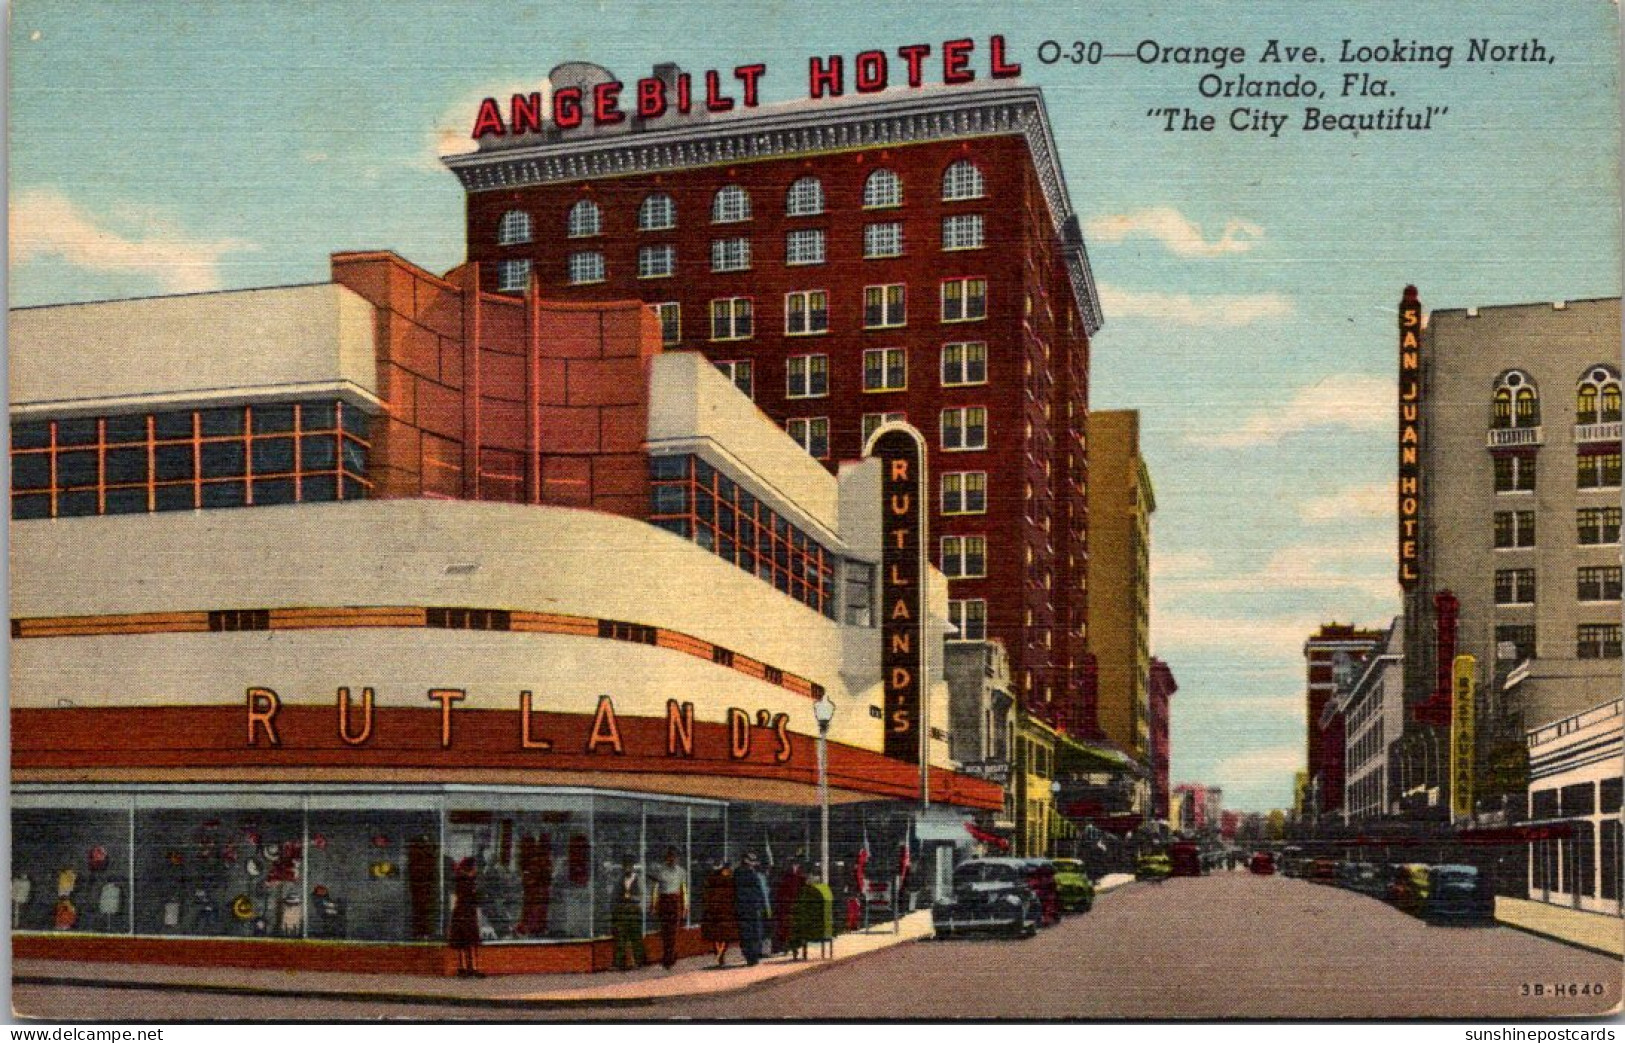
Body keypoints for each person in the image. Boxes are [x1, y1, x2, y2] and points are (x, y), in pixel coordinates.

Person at [649, 847, 687, 970]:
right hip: (664, 901)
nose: (673, 859)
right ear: (667, 858)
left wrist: (685, 906)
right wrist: (654, 905)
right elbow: (655, 889)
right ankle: (668, 955)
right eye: (670, 857)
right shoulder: (660, 871)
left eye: (675, 857)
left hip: (675, 902)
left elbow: (684, 890)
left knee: (674, 931)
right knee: (665, 931)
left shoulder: (681, 872)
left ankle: (669, 957)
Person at [733, 851, 772, 966]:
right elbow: (758, 892)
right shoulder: (749, 874)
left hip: (745, 908)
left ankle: (750, 956)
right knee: (754, 932)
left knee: (747, 933)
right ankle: (753, 956)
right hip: (751, 908)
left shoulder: (739, 873)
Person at [448, 856, 484, 978]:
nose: (476, 869)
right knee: (471, 942)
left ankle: (462, 967)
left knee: (462, 942)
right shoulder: (469, 882)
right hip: (468, 913)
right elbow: (475, 899)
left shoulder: (458, 880)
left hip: (459, 913)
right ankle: (473, 968)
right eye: (474, 867)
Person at [699, 860, 739, 967]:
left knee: (720, 936)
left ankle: (720, 955)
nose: (728, 871)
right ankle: (720, 955)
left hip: (720, 911)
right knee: (721, 935)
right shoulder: (728, 881)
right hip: (722, 911)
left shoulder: (713, 880)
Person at [610, 858, 644, 971]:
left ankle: (638, 962)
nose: (627, 868)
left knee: (635, 937)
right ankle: (619, 963)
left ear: (633, 867)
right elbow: (615, 896)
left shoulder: (638, 880)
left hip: (634, 912)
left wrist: (629, 897)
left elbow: (640, 897)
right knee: (620, 937)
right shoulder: (620, 880)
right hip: (622, 912)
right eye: (625, 866)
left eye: (629, 865)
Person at [771, 854, 807, 955]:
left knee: (791, 927)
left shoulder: (798, 875)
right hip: (786, 904)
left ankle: (791, 947)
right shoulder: (786, 875)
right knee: (786, 927)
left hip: (792, 904)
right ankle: (787, 947)